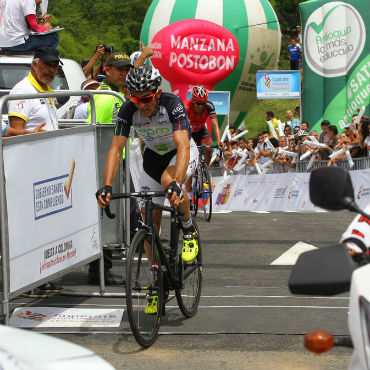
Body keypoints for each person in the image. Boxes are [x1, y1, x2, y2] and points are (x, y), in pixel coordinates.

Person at [96, 66, 199, 314]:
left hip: (181, 153)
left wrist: (178, 180)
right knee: (146, 222)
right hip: (152, 158)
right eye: (135, 98)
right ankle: (156, 285)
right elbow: (115, 148)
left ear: (158, 92)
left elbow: (183, 145)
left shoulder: (172, 104)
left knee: (168, 182)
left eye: (146, 99)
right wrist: (107, 185)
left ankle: (188, 228)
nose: (141, 105)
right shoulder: (128, 110)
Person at [8, 47, 60, 132]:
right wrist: (34, 135)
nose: (51, 70)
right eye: (48, 65)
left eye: (55, 66)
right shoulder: (22, 90)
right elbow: (15, 134)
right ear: (34, 65)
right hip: (32, 144)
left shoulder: (48, 90)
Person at [184, 85, 221, 165]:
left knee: (209, 148)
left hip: (201, 131)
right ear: (193, 100)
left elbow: (215, 125)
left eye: (203, 103)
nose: (201, 106)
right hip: (188, 133)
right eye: (198, 103)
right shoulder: (186, 106)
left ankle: (206, 172)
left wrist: (219, 141)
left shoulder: (209, 106)